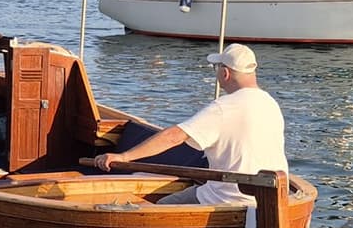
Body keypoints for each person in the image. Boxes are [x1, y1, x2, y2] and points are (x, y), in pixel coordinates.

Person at [91, 43, 288, 206]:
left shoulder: (223, 107)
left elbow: (174, 137)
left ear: (225, 73)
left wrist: (124, 156)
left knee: (161, 206)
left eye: (216, 68)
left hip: (228, 199)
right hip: (269, 198)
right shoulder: (271, 104)